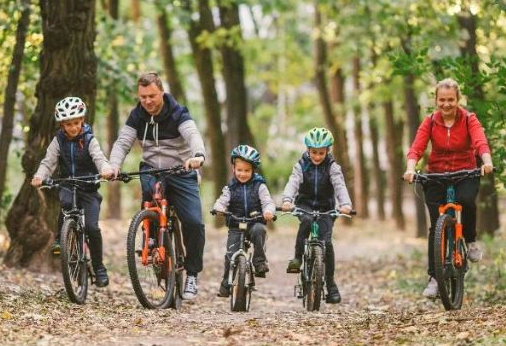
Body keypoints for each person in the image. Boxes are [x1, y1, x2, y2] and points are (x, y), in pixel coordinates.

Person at [108, 72, 207, 300]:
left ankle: (192, 274)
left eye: (152, 95)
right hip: (152, 170)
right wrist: (113, 165)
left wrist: (198, 156)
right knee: (148, 194)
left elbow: (193, 136)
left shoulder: (178, 113)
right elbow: (123, 142)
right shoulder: (137, 116)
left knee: (193, 222)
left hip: (181, 170)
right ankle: (151, 241)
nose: (148, 101)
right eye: (143, 97)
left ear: (161, 92)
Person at [402, 78, 494, 299]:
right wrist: (410, 169)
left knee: (467, 201)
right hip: (436, 174)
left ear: (458, 99)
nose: (446, 104)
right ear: (436, 100)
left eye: (450, 100)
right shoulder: (430, 122)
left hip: (465, 172)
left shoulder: (468, 119)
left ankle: (470, 241)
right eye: (441, 100)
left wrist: (487, 161)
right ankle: (434, 278)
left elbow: (480, 141)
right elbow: (417, 147)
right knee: (436, 227)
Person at [30, 96, 114, 287]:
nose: (73, 127)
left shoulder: (89, 139)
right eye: (68, 124)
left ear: (82, 121)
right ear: (62, 125)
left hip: (89, 188)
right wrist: (39, 176)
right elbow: (48, 161)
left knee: (92, 228)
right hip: (68, 184)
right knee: (66, 204)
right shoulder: (58, 141)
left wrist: (105, 169)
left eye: (76, 123)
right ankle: (61, 239)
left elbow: (99, 158)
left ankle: (99, 268)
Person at [280, 126, 353, 304]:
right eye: (314, 152)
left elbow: (339, 186)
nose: (317, 156)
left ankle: (330, 284)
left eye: (321, 153)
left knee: (326, 243)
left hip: (326, 207)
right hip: (304, 205)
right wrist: (287, 200)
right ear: (308, 150)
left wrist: (345, 204)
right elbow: (293, 182)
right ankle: (297, 257)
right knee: (305, 222)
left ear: (327, 151)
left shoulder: (332, 167)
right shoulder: (301, 165)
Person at [211, 145, 276, 298]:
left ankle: (259, 262)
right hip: (235, 223)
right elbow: (222, 201)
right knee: (230, 254)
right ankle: (226, 283)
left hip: (254, 221)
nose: (243, 174)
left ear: (253, 170)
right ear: (233, 168)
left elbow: (268, 201)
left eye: (247, 170)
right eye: (239, 170)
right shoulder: (230, 187)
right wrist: (218, 208)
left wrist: (268, 211)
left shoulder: (259, 185)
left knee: (260, 231)